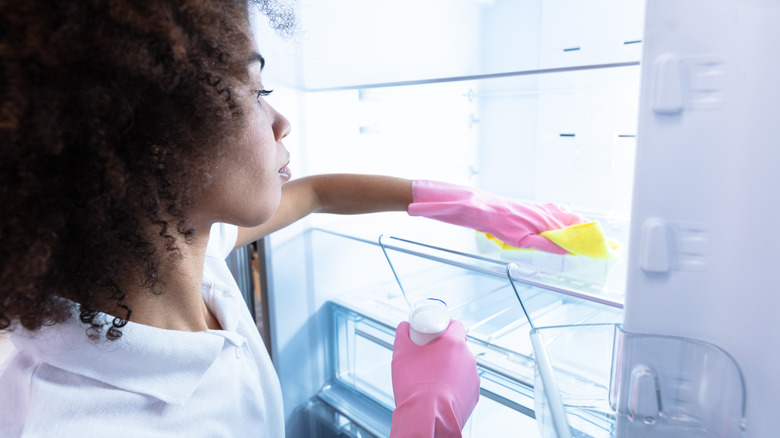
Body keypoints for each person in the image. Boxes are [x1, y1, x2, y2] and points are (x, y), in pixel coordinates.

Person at [0, 0, 587, 436]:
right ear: (156, 139)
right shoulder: (83, 423)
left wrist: (469, 205)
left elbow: (313, 194)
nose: (282, 121)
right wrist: (424, 420)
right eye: (256, 91)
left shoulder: (171, 253)